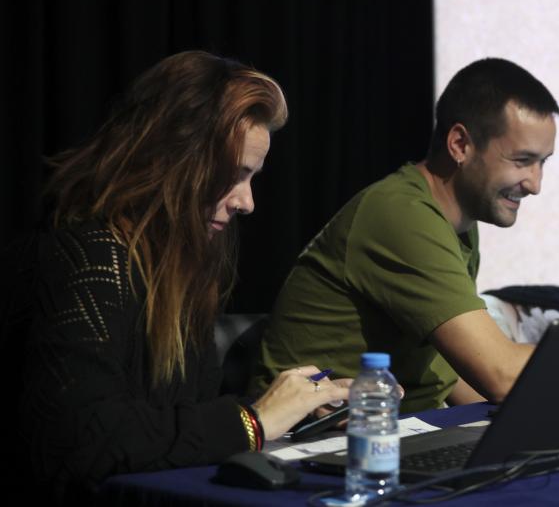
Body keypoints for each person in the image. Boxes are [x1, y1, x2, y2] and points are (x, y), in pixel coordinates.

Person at [14, 51, 348, 503]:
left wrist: (296, 414)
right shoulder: (86, 254)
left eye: (252, 178)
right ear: (173, 158)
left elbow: (173, 418)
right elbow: (79, 438)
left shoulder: (176, 264)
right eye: (234, 175)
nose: (246, 202)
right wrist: (252, 421)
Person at [252, 58, 559, 412]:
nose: (535, 185)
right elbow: (500, 374)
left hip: (393, 428)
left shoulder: (458, 223)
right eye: (522, 161)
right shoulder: (402, 215)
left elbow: (454, 373)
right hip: (310, 440)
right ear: (460, 144)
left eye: (543, 162)